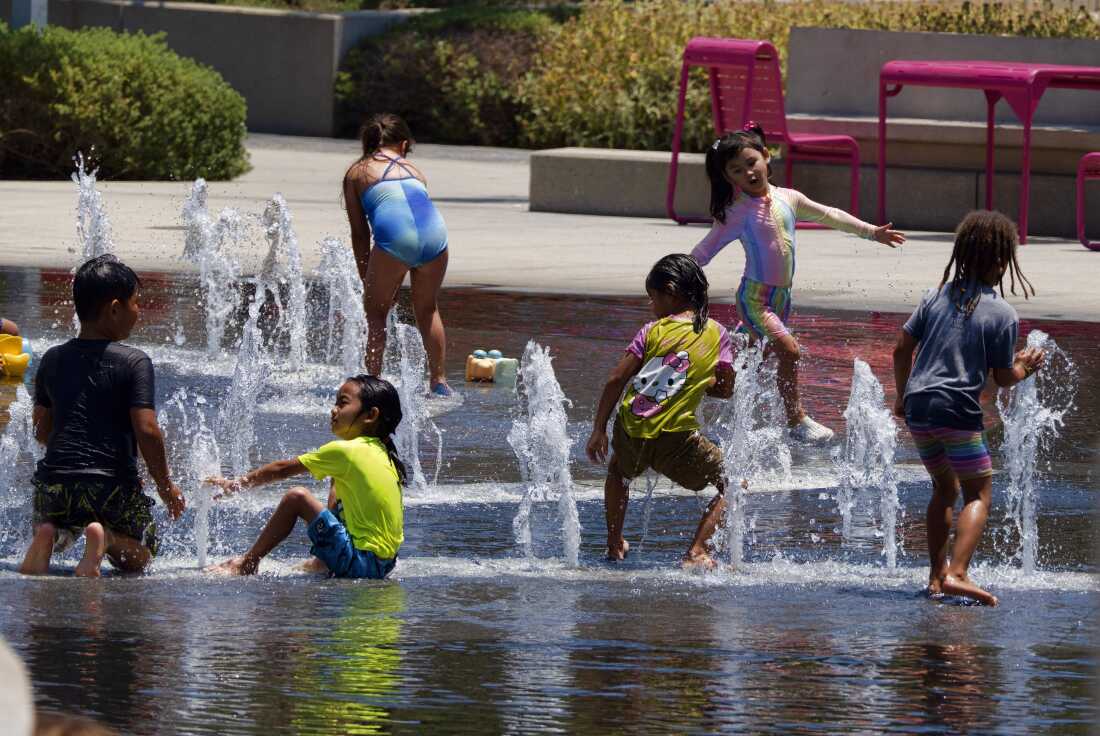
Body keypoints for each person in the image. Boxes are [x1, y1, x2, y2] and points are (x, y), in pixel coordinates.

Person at [690, 123, 906, 443]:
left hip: (781, 298)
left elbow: (829, 214)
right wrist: (678, 276)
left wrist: (871, 232)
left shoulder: (788, 198)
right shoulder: (736, 214)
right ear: (728, 178)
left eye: (751, 162)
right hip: (754, 298)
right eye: (736, 170)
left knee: (749, 367)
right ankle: (797, 421)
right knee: (790, 352)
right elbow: (705, 250)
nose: (748, 172)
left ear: (766, 157)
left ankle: (702, 392)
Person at [893, 210, 1043, 607]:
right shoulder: (1003, 313)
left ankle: (936, 577)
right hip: (958, 411)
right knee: (978, 494)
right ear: (1000, 262)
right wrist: (1026, 366)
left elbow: (901, 348)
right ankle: (958, 572)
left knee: (944, 488)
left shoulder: (935, 296)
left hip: (920, 407)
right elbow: (1004, 376)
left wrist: (900, 396)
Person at [19, 255, 185, 577]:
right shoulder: (134, 362)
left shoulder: (52, 359)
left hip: (56, 484)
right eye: (135, 303)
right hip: (110, 487)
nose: (138, 312)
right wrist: (166, 486)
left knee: (58, 518)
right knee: (143, 555)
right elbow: (147, 430)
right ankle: (106, 538)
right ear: (113, 308)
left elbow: (41, 430)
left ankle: (48, 533)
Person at [586, 254, 737, 569]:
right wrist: (698, 381)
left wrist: (598, 429)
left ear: (670, 291)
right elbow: (724, 390)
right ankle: (697, 551)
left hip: (630, 428)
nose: (652, 307)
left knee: (618, 472)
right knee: (735, 483)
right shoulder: (717, 334)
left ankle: (614, 544)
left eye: (652, 298)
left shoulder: (651, 330)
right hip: (676, 440)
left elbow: (616, 378)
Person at [206, 375, 405, 578]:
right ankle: (324, 559)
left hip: (359, 564)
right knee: (338, 481)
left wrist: (236, 484)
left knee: (297, 498)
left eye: (342, 403)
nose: (334, 409)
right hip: (384, 564)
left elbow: (281, 469)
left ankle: (248, 563)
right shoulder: (385, 454)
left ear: (370, 415)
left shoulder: (347, 451)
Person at [343, 113, 452, 397]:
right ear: (403, 145)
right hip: (436, 237)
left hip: (396, 240)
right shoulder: (416, 171)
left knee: (376, 313)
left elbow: (360, 232)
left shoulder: (357, 173)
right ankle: (439, 381)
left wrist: (367, 275)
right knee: (427, 309)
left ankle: (371, 384)